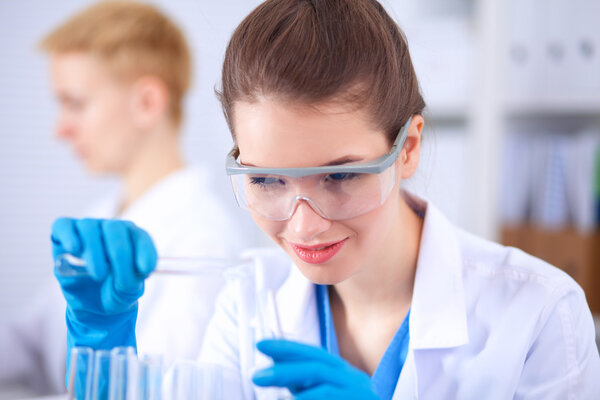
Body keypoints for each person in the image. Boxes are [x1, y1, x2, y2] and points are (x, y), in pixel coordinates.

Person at [51, 0, 600, 399]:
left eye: (339, 178)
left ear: (407, 148)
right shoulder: (248, 305)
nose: (304, 226)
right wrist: (104, 349)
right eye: (267, 181)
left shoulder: (539, 315)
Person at [0, 1, 258, 395]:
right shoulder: (104, 215)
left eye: (75, 104)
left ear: (147, 102)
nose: (60, 129)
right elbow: (29, 345)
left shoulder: (204, 238)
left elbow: (160, 391)